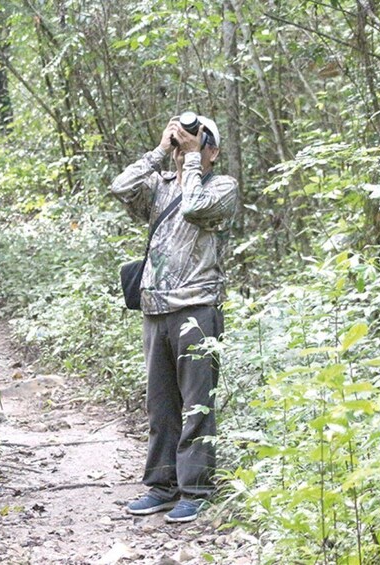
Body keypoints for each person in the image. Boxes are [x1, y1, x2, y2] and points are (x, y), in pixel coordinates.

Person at [110, 114, 239, 523]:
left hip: (198, 307)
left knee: (197, 404)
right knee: (161, 406)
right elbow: (120, 186)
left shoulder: (222, 186)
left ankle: (196, 490)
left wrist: (193, 163)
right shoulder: (161, 186)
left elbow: (195, 207)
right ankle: (162, 486)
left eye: (196, 142)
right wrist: (162, 152)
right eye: (183, 140)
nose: (186, 147)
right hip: (155, 310)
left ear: (212, 150)